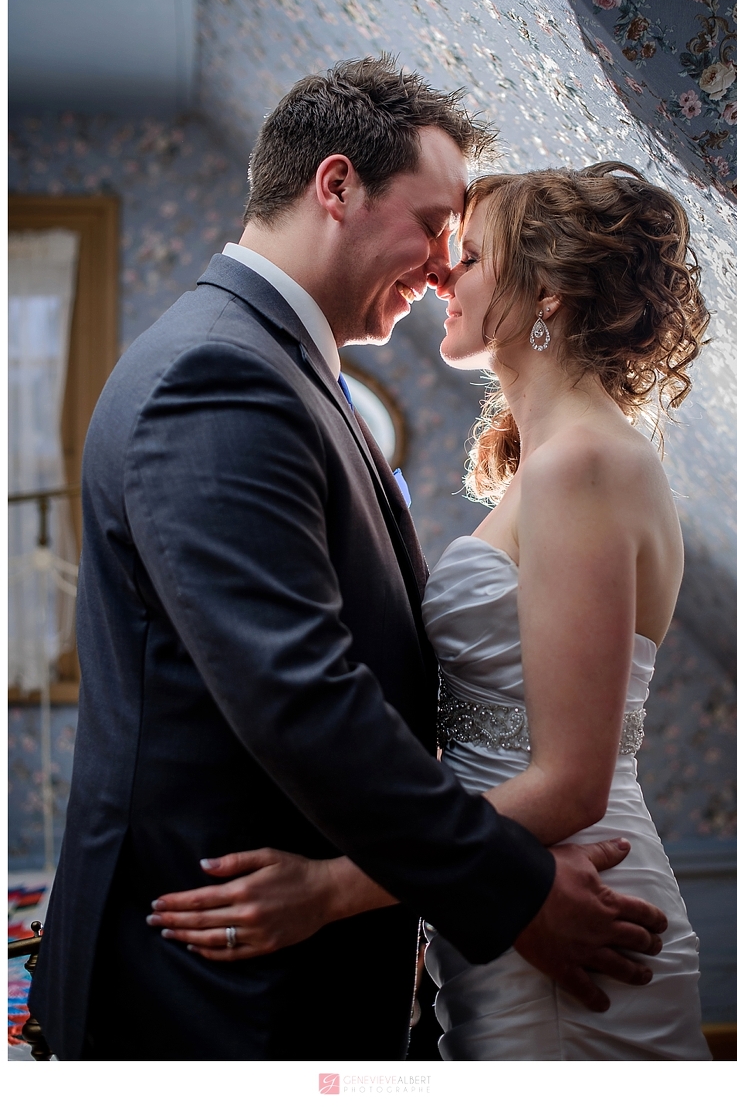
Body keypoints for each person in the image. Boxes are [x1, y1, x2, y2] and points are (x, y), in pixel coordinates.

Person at [30, 59, 667, 1061]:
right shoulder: (219, 375)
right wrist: (511, 887)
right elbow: (302, 694)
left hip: (301, 971)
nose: (440, 262)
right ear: (336, 187)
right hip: (216, 989)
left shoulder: (292, 373)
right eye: (431, 222)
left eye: (462, 238)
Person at [148, 162, 712, 1060]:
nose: (443, 273)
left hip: (573, 895)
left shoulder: (584, 466)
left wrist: (329, 890)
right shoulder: (560, 462)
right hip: (516, 885)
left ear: (552, 295)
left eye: (473, 255)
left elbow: (571, 783)